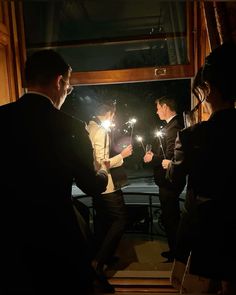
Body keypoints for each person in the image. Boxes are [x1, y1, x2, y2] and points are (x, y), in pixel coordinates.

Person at [0, 49, 108, 295]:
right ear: (60, 82)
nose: (66, 93)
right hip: (55, 236)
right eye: (68, 88)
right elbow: (93, 185)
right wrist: (101, 168)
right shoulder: (70, 126)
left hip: (8, 238)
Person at [164, 41, 236, 294]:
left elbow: (174, 181)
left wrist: (171, 163)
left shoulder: (192, 136)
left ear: (207, 90)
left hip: (206, 235)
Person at [87, 100, 133, 292]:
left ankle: (103, 255)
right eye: (113, 115)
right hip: (106, 185)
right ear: (109, 114)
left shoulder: (89, 126)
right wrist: (122, 155)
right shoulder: (100, 130)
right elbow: (100, 163)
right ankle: (98, 263)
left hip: (96, 186)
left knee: (103, 222)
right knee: (120, 220)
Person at [143, 95, 186, 262]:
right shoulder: (171, 126)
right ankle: (175, 251)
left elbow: (170, 158)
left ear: (166, 106)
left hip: (169, 182)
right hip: (168, 181)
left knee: (171, 219)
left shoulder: (173, 127)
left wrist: (151, 158)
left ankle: (177, 254)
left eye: (158, 108)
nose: (156, 111)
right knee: (170, 217)